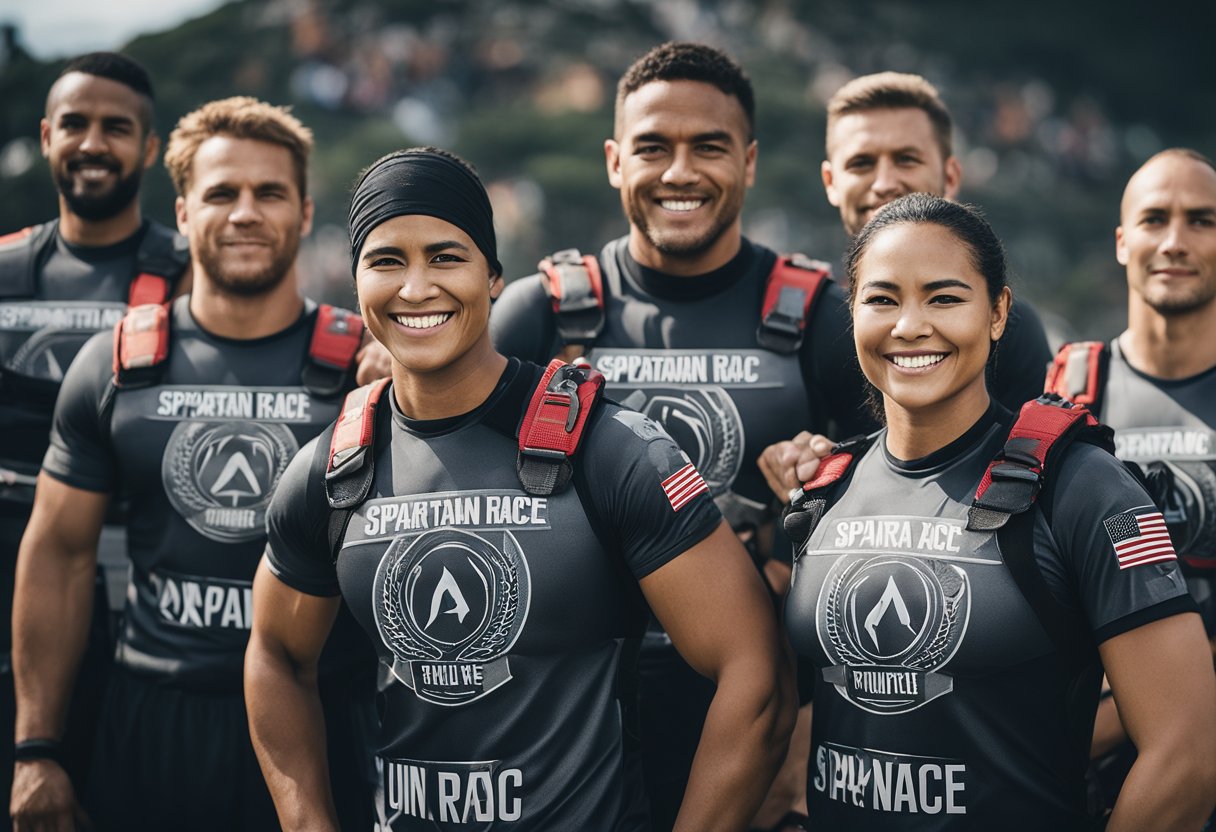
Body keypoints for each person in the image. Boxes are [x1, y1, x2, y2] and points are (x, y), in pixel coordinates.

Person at [246, 146, 794, 832]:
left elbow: (756, 674)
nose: (416, 288)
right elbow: (274, 654)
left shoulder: (612, 449)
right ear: (354, 282)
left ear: (495, 276)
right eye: (387, 261)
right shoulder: (328, 469)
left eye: (446, 257)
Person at [782, 192, 1216, 829]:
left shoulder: (1082, 487)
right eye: (881, 299)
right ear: (852, 314)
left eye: (944, 297)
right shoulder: (823, 492)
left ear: (998, 312)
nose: (909, 325)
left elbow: (1188, 756)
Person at [10, 96, 377, 832]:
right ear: (181, 215)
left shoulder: (364, 367)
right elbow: (58, 554)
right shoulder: (114, 363)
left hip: (318, 713)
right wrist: (36, 748)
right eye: (220, 193)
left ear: (303, 214)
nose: (244, 213)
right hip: (147, 717)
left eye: (268, 193)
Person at [0, 51, 190, 812]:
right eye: (75, 124)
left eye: (117, 128)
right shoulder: (4, 271)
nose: (92, 143)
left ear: (148, 149)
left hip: (142, 618)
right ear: (47, 136)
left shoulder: (191, 279)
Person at [1045, 148, 1216, 812]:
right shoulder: (1070, 390)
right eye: (1155, 219)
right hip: (1089, 776)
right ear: (1123, 241)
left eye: (1201, 220)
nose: (1174, 241)